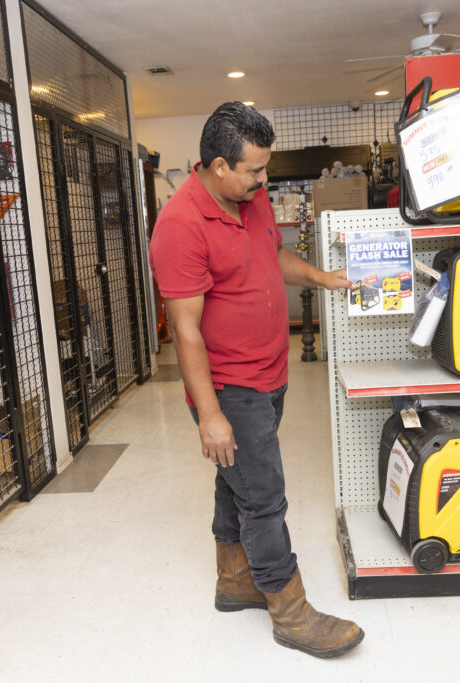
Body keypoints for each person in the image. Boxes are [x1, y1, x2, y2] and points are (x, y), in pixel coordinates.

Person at [148, 102, 363, 659]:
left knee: (235, 480)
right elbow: (186, 330)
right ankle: (290, 612)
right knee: (264, 498)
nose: (264, 180)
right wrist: (211, 415)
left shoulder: (251, 196)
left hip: (271, 373)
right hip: (229, 387)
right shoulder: (180, 225)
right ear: (218, 166)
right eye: (254, 171)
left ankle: (234, 581)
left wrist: (321, 277)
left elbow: (274, 254)